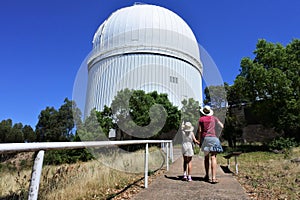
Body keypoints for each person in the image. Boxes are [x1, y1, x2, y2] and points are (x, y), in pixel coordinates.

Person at [197, 105, 224, 184]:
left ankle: (207, 176)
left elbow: (200, 131)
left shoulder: (201, 119)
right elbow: (222, 126)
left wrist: (199, 140)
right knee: (213, 157)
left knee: (206, 158)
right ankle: (213, 178)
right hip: (213, 138)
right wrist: (217, 132)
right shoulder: (214, 118)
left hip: (205, 138)